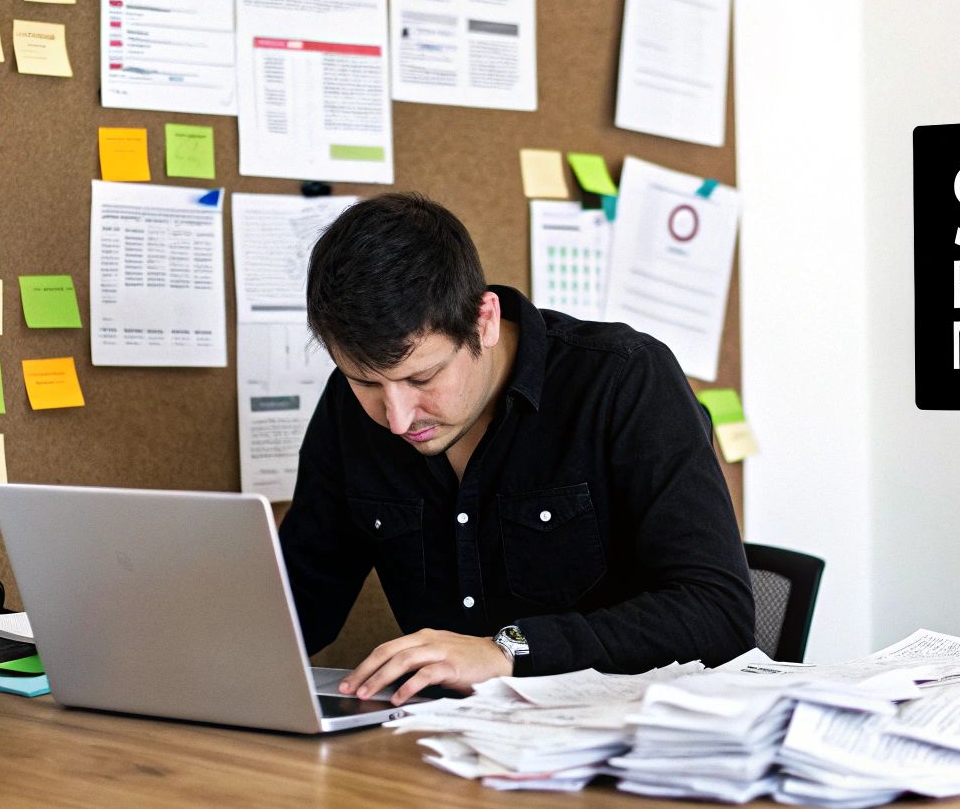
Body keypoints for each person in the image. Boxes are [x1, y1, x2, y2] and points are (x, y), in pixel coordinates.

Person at [279, 193, 753, 704]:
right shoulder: (349, 409)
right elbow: (301, 603)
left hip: (617, 728)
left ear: (484, 320)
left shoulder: (623, 379)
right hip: (437, 735)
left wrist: (509, 650)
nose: (396, 418)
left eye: (423, 377)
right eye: (366, 382)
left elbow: (719, 615)